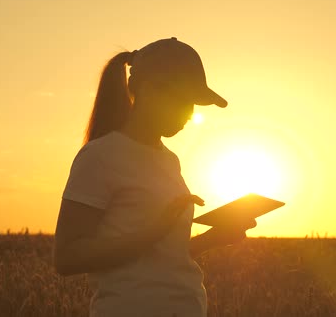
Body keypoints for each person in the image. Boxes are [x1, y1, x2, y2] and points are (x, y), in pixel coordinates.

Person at [53, 37, 257, 317]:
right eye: (184, 100)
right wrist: (152, 232)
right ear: (149, 91)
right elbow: (66, 258)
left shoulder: (170, 161)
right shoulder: (98, 156)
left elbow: (160, 255)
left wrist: (213, 239)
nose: (190, 114)